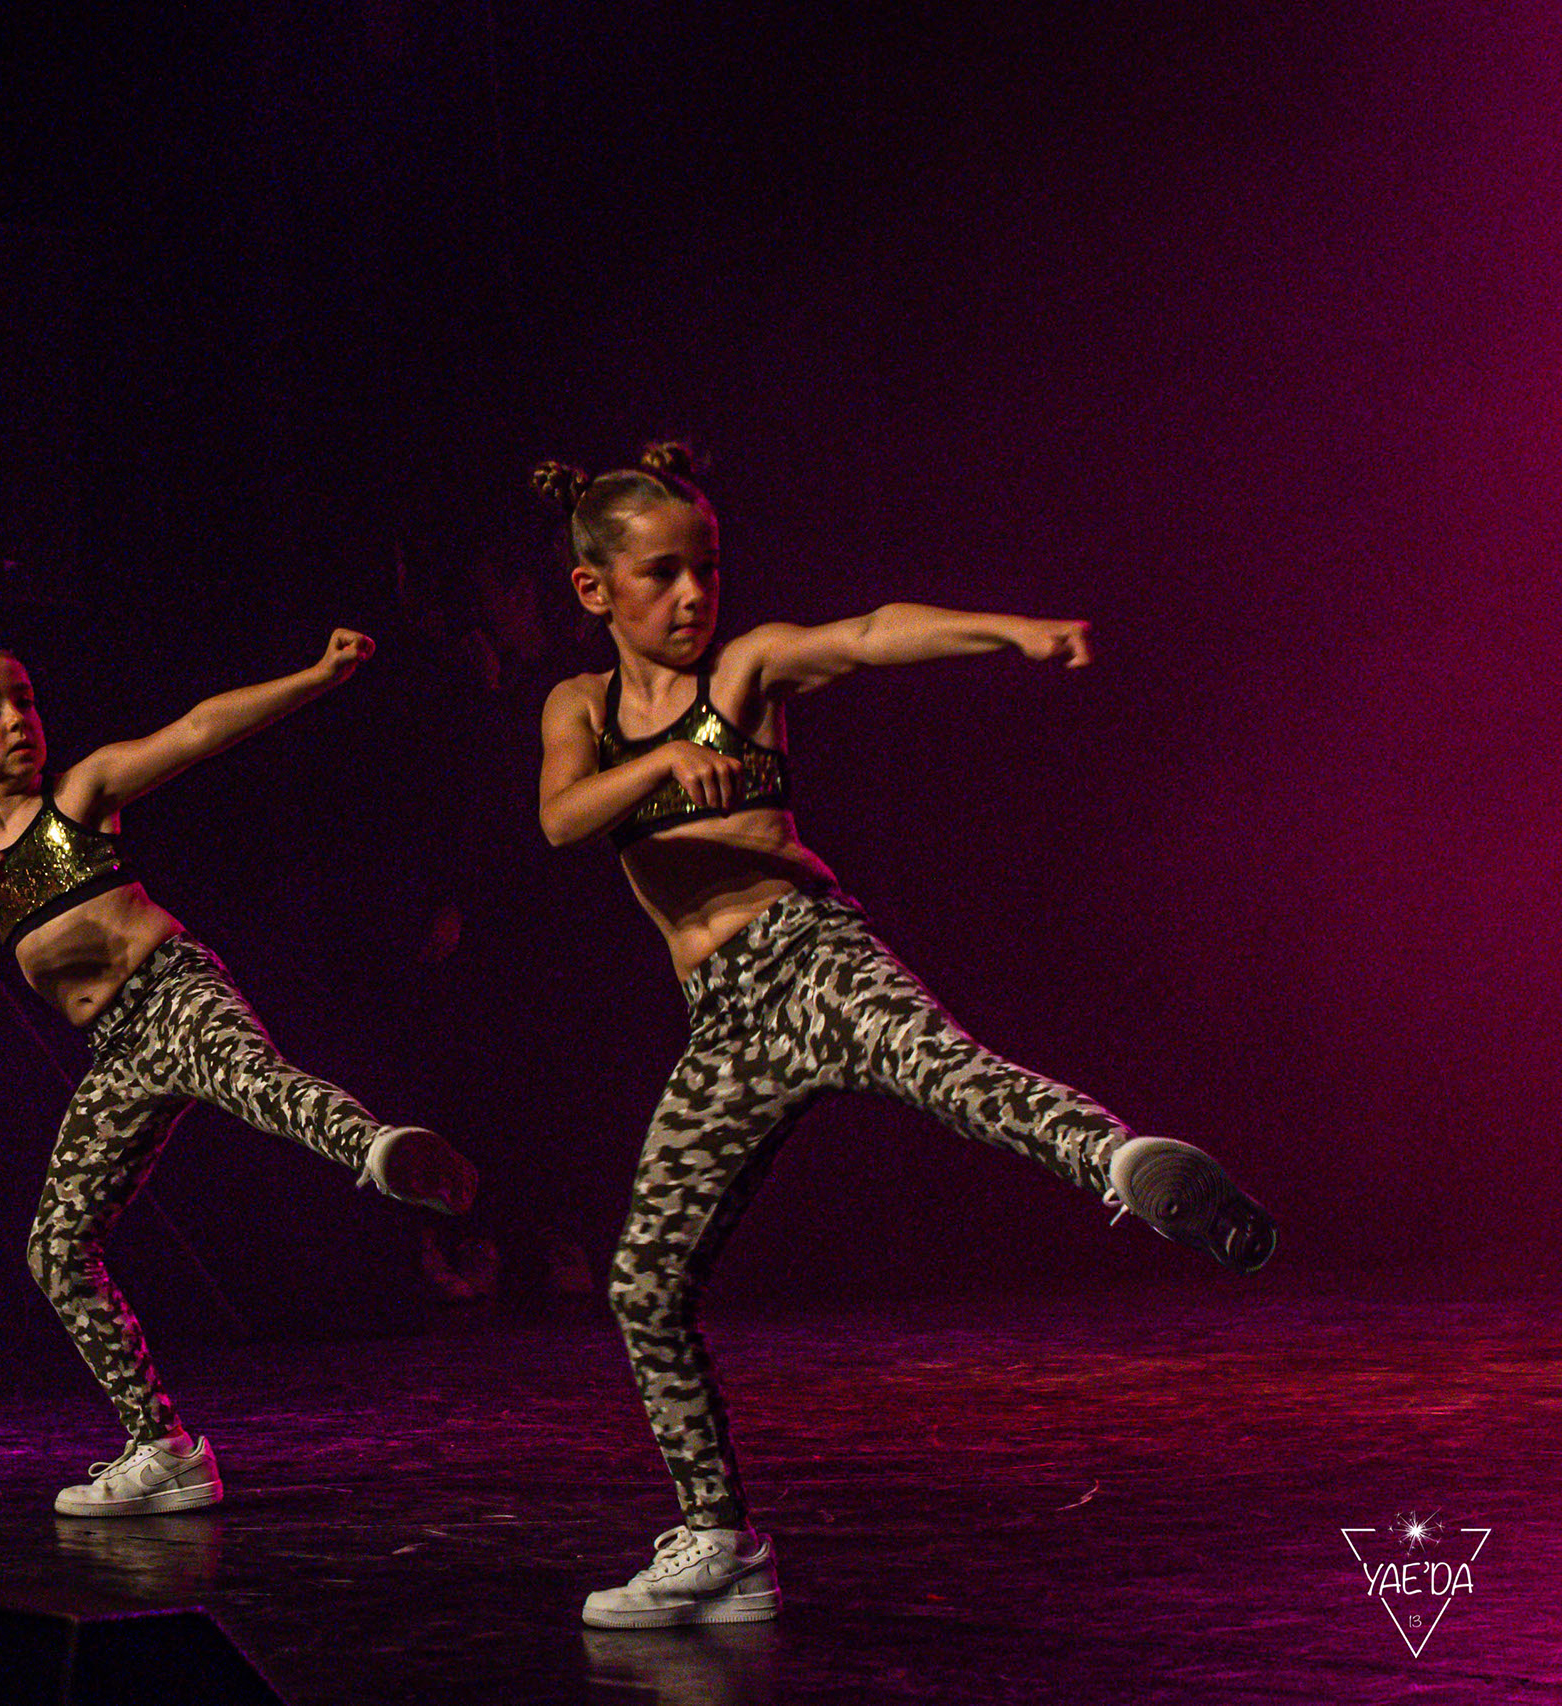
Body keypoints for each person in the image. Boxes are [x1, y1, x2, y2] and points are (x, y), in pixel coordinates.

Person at [532, 444, 1275, 1629]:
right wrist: (666, 762)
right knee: (643, 1280)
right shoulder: (580, 707)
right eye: (661, 574)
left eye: (706, 568)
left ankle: (1121, 1160)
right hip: (721, 1018)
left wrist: (1010, 630)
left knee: (954, 1075)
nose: (692, 594)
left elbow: (870, 633)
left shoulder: (745, 667)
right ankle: (720, 1540)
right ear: (593, 588)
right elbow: (562, 815)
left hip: (810, 956)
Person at [0, 629, 477, 1518]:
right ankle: (163, 1450)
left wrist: (316, 675)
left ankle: (378, 1149)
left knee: (255, 1080)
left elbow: (198, 731)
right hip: (116, 1053)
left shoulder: (79, 794)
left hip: (171, 991)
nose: (17, 721)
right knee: (55, 1250)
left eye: (24, 701)